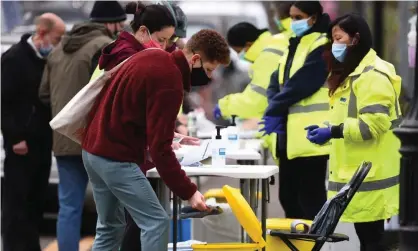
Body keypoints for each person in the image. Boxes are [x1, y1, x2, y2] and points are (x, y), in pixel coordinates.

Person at [81, 28, 230, 250]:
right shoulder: (170, 81)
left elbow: (131, 111)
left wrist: (168, 133)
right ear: (196, 59)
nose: (208, 77)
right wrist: (189, 191)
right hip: (116, 157)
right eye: (208, 70)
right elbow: (160, 151)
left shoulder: (153, 56)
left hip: (93, 151)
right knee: (156, 222)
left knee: (110, 226)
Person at [306, 13, 401, 251]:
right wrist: (329, 129)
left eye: (338, 38)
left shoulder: (373, 76)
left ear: (355, 40)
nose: (334, 45)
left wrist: (334, 132)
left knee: (373, 241)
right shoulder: (355, 73)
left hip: (372, 178)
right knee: (368, 240)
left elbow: (373, 125)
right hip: (360, 175)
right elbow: (351, 117)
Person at [38, 2, 126, 251]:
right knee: (108, 206)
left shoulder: (57, 50)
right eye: (119, 24)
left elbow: (44, 93)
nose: (120, 30)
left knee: (69, 205)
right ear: (110, 23)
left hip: (64, 138)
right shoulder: (104, 47)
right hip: (96, 139)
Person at [259, 1, 331, 220]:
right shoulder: (295, 44)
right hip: (289, 138)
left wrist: (274, 108)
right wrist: (274, 107)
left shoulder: (322, 45)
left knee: (310, 202)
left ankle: (312, 246)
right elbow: (277, 80)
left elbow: (303, 83)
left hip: (310, 138)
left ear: (314, 18)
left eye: (298, 17)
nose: (293, 22)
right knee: (288, 198)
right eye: (291, 17)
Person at [1, 13, 65, 251]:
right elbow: (4, 102)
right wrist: (15, 137)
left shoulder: (45, 60)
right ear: (41, 34)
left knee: (35, 201)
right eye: (56, 38)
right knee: (17, 203)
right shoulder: (14, 58)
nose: (58, 44)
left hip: (41, 141)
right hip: (20, 144)